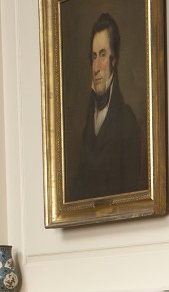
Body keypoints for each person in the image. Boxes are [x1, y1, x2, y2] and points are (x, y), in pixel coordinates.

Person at [68, 12, 145, 202]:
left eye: (102, 55)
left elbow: (130, 198)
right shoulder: (88, 124)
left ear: (113, 60)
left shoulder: (127, 122)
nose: (96, 67)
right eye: (93, 57)